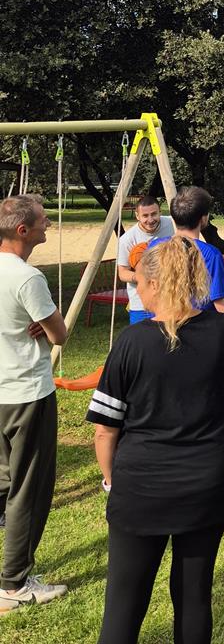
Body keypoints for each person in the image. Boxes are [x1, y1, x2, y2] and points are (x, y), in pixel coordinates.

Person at [88, 236, 224, 644]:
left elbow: (105, 428)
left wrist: (110, 480)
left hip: (140, 489)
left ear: (157, 284)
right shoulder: (222, 331)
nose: (135, 290)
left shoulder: (131, 343)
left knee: (124, 602)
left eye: (137, 283)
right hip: (208, 485)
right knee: (193, 597)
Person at [0, 194, 68, 614]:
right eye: (43, 222)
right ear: (22, 231)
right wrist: (44, 329)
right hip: (27, 395)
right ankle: (14, 584)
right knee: (27, 489)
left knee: (5, 481)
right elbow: (59, 334)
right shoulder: (27, 278)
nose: (48, 226)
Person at [148, 186, 224, 314]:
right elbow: (223, 307)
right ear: (203, 218)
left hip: (161, 324)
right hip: (196, 329)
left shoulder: (154, 247)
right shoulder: (210, 254)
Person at [117, 195, 174, 324]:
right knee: (142, 342)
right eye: (145, 216)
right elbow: (122, 273)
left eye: (154, 214)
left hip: (170, 298)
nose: (150, 219)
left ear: (160, 212)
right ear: (137, 216)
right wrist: (142, 277)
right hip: (141, 304)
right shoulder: (127, 240)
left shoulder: (173, 223)